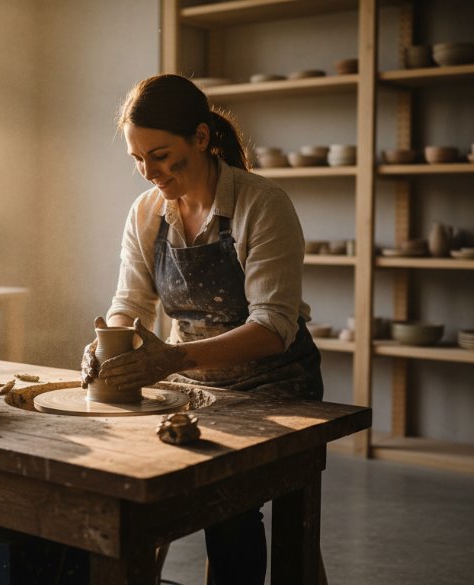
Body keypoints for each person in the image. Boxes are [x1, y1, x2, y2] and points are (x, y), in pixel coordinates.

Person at [80, 73, 324, 584]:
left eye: (162, 155)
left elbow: (274, 326)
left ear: (201, 137)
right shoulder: (148, 212)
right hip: (189, 382)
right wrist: (111, 343)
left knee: (229, 510)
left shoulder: (262, 204)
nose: (149, 171)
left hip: (273, 384)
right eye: (137, 159)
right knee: (124, 485)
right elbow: (130, 301)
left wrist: (171, 360)